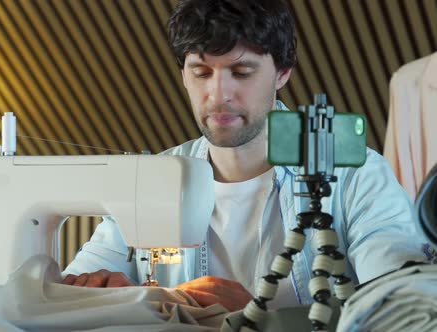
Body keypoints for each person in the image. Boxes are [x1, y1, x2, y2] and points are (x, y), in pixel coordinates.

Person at [62, 0, 427, 312]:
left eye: (241, 72)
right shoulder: (151, 179)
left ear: (282, 73)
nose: (219, 95)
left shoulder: (354, 176)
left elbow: (400, 305)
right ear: (183, 75)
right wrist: (103, 291)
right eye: (201, 72)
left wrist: (261, 320)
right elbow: (67, 294)